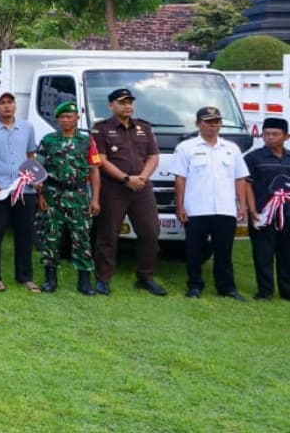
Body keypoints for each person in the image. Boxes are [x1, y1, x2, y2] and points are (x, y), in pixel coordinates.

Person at [90, 88, 166, 296]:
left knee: (150, 232)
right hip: (114, 188)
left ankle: (145, 277)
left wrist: (142, 177)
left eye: (130, 102)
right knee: (108, 234)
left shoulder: (144, 127)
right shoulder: (101, 129)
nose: (128, 106)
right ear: (111, 106)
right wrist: (125, 179)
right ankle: (103, 279)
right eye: (122, 102)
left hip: (141, 187)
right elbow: (101, 160)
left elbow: (153, 156)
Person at [173, 106, 249, 301]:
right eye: (208, 122)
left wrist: (242, 204)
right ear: (198, 124)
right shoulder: (186, 148)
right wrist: (180, 206)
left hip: (225, 208)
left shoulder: (231, 149)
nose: (213, 125)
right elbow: (180, 179)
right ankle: (195, 286)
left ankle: (227, 288)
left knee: (224, 252)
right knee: (194, 251)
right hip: (196, 208)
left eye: (217, 121)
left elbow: (240, 178)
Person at [35, 101, 102, 295]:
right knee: (51, 237)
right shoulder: (48, 140)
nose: (66, 120)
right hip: (53, 194)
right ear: (57, 119)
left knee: (81, 237)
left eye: (70, 116)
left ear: (76, 118)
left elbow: (95, 170)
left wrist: (95, 198)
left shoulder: (87, 141)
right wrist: (40, 194)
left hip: (79, 195)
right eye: (62, 117)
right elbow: (38, 170)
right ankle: (50, 279)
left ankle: (84, 281)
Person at [0, 92, 39, 292]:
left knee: (25, 233)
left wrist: (35, 179)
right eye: (2, 103)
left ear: (15, 105)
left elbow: (30, 155)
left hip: (24, 189)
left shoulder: (27, 127)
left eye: (10, 102)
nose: (7, 106)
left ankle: (25, 276)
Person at [244, 117, 290, 300]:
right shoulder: (253, 158)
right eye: (266, 134)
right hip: (263, 213)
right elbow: (247, 186)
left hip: (287, 214)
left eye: (275, 134)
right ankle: (265, 290)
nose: (270, 137)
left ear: (286, 136)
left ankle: (286, 290)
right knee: (263, 254)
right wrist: (253, 211)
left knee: (287, 254)